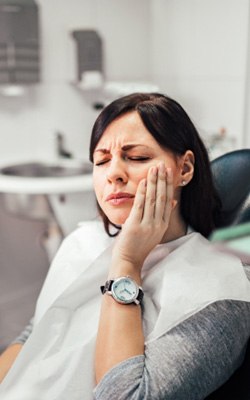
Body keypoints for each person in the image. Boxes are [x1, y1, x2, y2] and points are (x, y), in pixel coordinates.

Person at [0, 92, 250, 400]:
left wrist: (127, 263)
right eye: (102, 160)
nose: (114, 173)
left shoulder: (223, 293)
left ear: (184, 169)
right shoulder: (83, 243)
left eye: (137, 158)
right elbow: (38, 334)